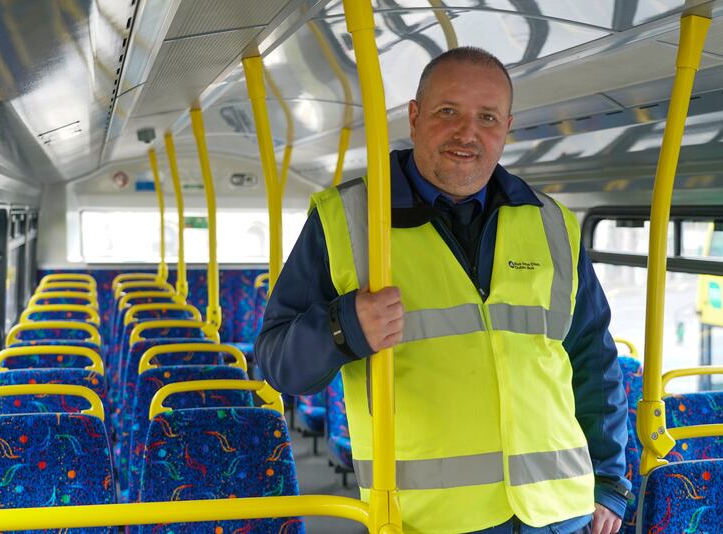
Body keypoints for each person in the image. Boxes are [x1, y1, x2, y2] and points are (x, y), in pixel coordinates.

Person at [255, 47, 630, 534]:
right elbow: (276, 361)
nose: (467, 133)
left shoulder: (552, 223)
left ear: (507, 126)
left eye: (487, 117)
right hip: (427, 519)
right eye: (448, 111)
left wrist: (608, 482)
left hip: (560, 513)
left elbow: (593, 361)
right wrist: (343, 328)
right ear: (414, 117)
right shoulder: (347, 221)